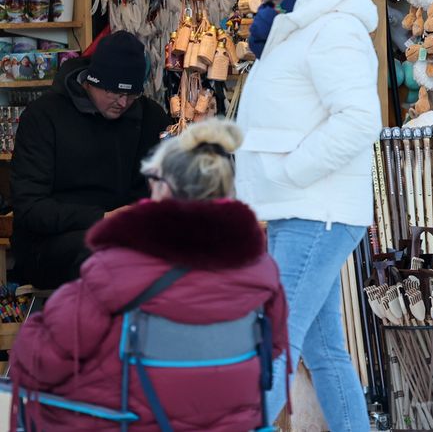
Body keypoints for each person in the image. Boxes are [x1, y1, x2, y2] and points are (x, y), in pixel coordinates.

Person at [8, 118, 288, 431]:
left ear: (162, 186)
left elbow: (39, 359)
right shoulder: (260, 271)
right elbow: (273, 349)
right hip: (231, 423)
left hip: (135, 421)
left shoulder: (115, 270)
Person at [235, 0, 381, 431]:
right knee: (323, 350)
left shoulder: (332, 27)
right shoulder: (294, 23)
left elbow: (361, 119)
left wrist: (292, 172)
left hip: (313, 210)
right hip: (299, 208)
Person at [11, 30, 171, 289]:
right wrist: (103, 218)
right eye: (114, 93)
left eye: (131, 95)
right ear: (91, 81)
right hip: (50, 243)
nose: (123, 102)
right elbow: (30, 208)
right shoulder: (44, 116)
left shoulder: (150, 116)